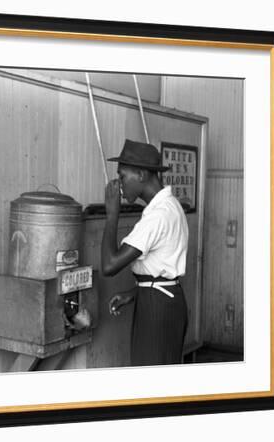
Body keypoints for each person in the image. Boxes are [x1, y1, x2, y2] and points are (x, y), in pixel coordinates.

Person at [101, 139, 189, 366]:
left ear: (141, 175)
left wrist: (112, 214)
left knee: (151, 380)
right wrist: (135, 292)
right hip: (160, 298)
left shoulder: (159, 215)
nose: (119, 185)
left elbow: (110, 265)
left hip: (158, 308)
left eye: (122, 176)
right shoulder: (169, 206)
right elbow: (161, 269)